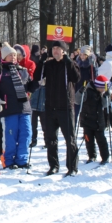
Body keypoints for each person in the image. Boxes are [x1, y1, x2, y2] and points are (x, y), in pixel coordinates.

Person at [39, 41, 81, 176]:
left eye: (58, 49)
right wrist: (41, 61)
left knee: (70, 139)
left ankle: (72, 167)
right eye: (54, 48)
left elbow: (76, 77)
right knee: (50, 139)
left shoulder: (69, 64)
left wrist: (69, 61)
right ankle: (53, 165)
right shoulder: (48, 64)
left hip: (66, 107)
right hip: (50, 107)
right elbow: (37, 77)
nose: (55, 51)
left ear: (63, 51)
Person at [0, 43, 34, 169]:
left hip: (24, 107)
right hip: (8, 108)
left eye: (15, 55)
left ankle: (22, 159)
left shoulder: (22, 71)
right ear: (4, 57)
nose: (13, 57)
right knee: (10, 135)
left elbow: (28, 87)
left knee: (26, 133)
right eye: (10, 55)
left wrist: (39, 82)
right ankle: (8, 160)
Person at [79, 75, 112, 164]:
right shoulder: (87, 91)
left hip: (98, 121)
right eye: (102, 88)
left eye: (104, 88)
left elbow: (105, 105)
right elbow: (77, 100)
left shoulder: (102, 93)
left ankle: (105, 157)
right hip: (87, 120)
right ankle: (92, 156)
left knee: (101, 140)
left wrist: (106, 96)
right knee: (88, 140)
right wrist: (80, 91)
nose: (103, 90)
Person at [75, 45, 97, 119]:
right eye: (81, 54)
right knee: (75, 111)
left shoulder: (91, 65)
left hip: (87, 90)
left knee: (86, 113)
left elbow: (94, 77)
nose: (82, 56)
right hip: (78, 89)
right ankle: (73, 128)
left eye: (84, 54)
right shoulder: (77, 63)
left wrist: (90, 83)